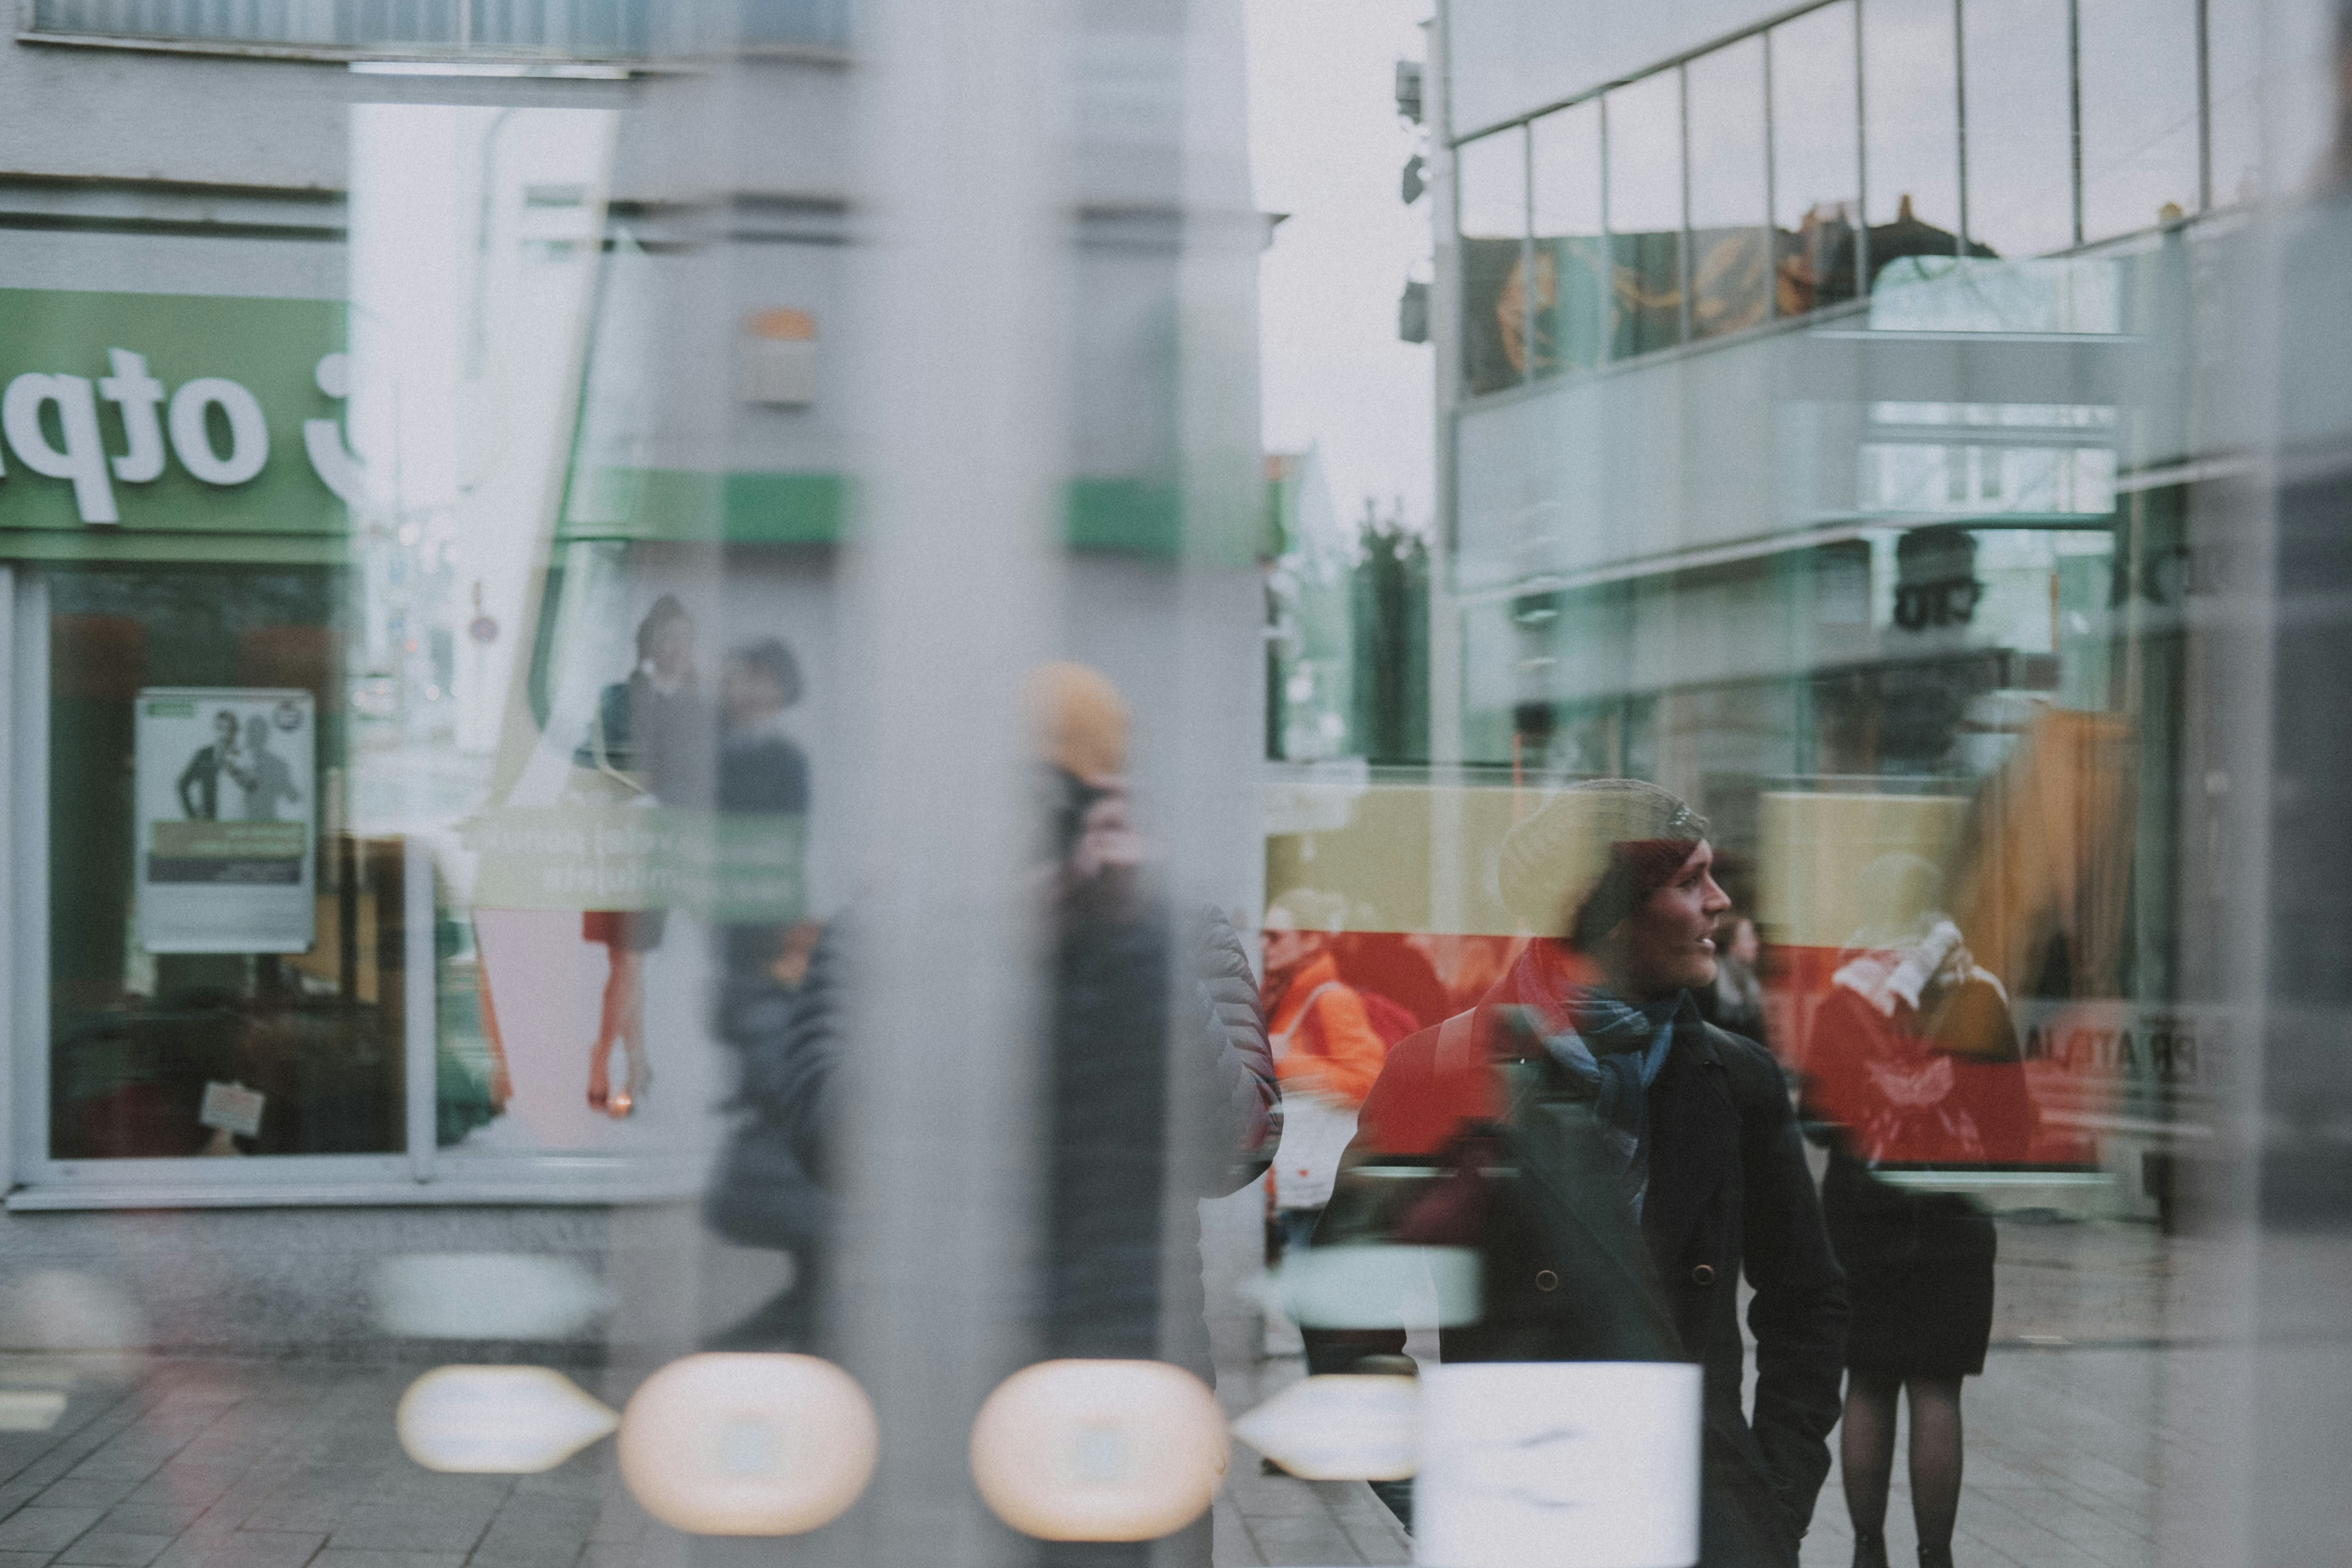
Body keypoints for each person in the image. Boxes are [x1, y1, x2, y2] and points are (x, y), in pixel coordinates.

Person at [1305, 779, 1847, 1566]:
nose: (1721, 901)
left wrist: (1773, 1500)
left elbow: (1808, 1300)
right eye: (1689, 880)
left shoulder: (1738, 1079)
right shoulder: (1441, 1069)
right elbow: (1344, 1310)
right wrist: (1436, 1495)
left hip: (1709, 1523)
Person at [1802, 854, 2033, 1568]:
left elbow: (1815, 1120)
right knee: (1938, 1390)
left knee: (1866, 1383)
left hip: (1862, 1221)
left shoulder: (1843, 1001)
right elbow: (2014, 1126)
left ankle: (1867, 1551)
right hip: (1952, 1222)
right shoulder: (1980, 995)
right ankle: (1937, 1555)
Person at [577, 594, 717, 1117]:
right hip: (616, 844)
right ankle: (633, 1061)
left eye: (685, 640)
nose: (676, 649)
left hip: (661, 847)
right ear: (648, 646)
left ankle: (608, 1059)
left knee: (630, 959)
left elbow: (706, 782)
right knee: (624, 961)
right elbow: (584, 761)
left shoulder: (700, 709)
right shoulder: (617, 699)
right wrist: (619, 796)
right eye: (667, 639)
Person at [1258, 887, 1389, 1262]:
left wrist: (1285, 1064)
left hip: (1314, 1185)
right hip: (1293, 1184)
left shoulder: (1330, 999)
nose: (1265, 945)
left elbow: (1367, 1080)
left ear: (1311, 940)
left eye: (1276, 936)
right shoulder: (1285, 994)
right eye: (1262, 936)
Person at [1698, 912, 1769, 1044]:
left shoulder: (1749, 979)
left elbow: (1756, 1031)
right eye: (1749, 938)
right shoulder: (1709, 983)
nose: (1756, 944)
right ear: (1732, 946)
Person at [176, 709, 244, 820]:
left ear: (236, 730)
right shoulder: (205, 755)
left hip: (242, 826)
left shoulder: (246, 756)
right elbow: (183, 784)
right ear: (215, 730)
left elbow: (256, 788)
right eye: (220, 729)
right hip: (212, 826)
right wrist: (193, 816)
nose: (225, 734)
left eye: (230, 729)